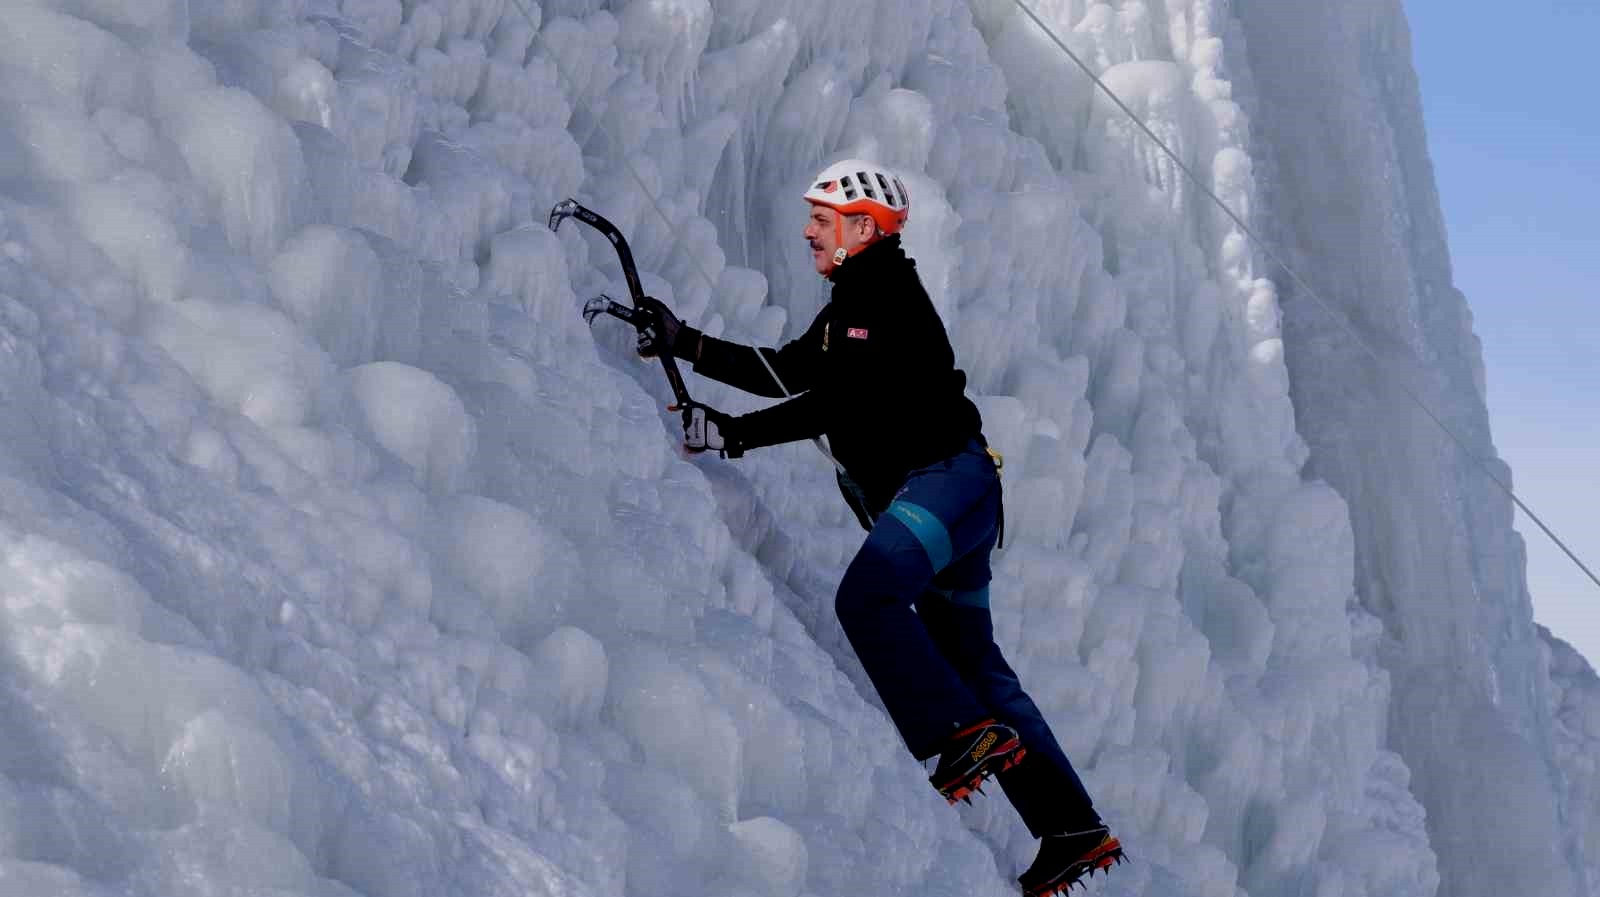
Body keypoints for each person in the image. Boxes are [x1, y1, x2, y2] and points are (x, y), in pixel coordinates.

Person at [636, 159, 1123, 895]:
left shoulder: (879, 296)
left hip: (945, 485)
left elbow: (834, 405)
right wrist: (686, 342)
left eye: (822, 220)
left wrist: (729, 435)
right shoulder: (854, 306)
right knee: (975, 662)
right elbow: (789, 370)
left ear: (864, 226)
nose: (807, 231)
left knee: (866, 598)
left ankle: (958, 735)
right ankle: (1071, 828)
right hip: (961, 491)